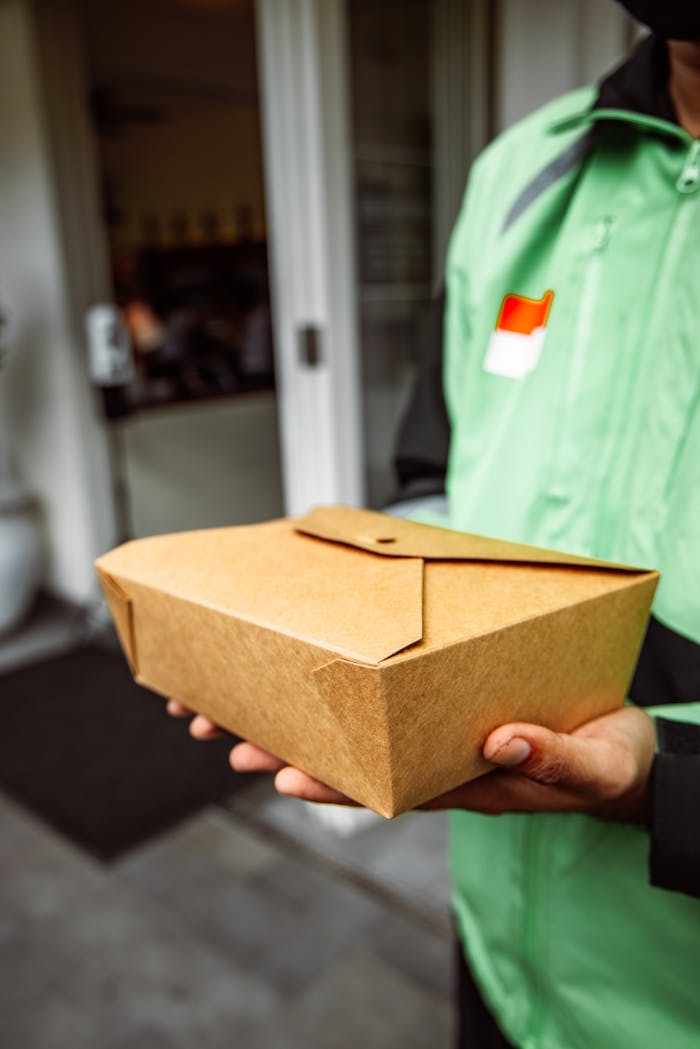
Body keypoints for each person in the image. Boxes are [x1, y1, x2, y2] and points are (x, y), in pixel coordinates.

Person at [168, 3, 700, 1045]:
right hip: (502, 961)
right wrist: (342, 646)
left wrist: (663, 785)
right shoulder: (519, 170)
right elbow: (434, 477)